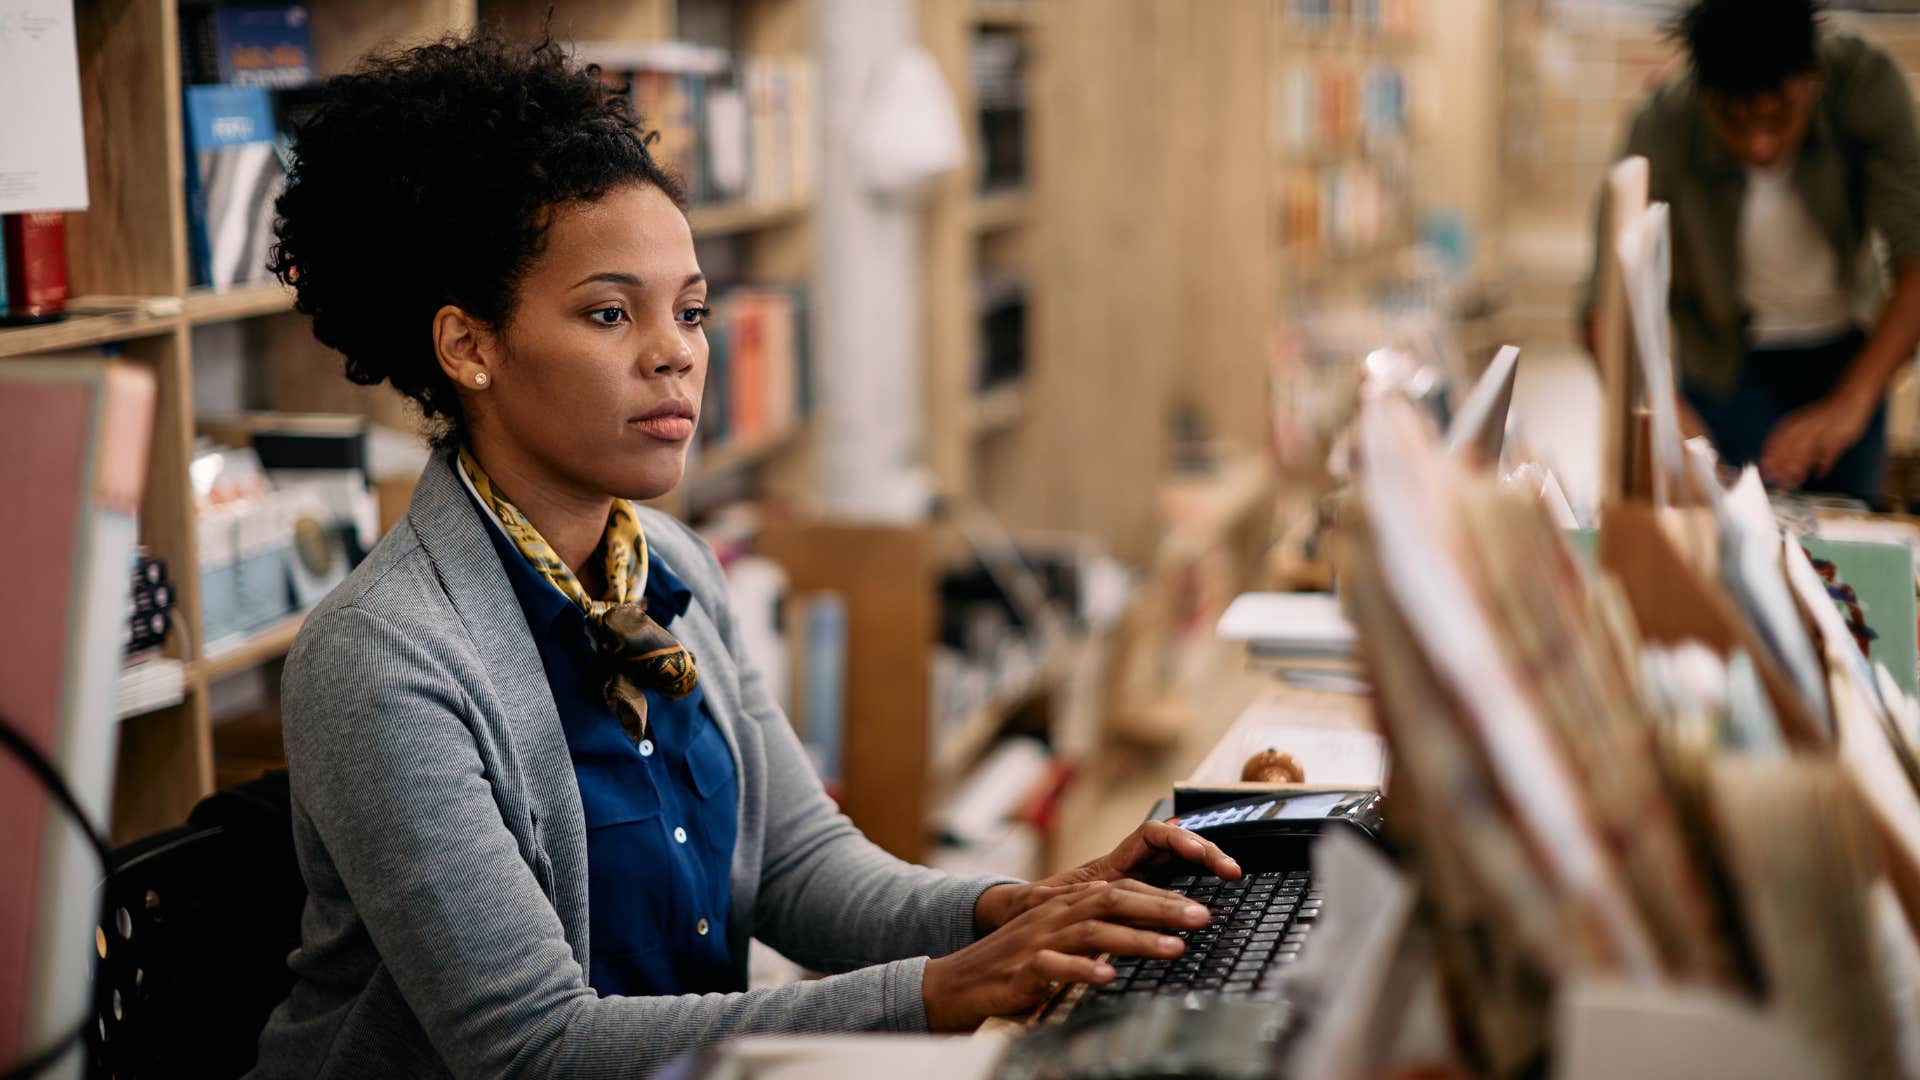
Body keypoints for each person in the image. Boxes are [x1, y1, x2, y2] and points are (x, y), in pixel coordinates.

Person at [246, 33, 1237, 1079]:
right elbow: (531, 1048)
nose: (676, 351)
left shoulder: (671, 568)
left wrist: (1021, 910)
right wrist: (950, 988)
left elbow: (799, 868)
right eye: (610, 312)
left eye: (692, 310)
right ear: (470, 347)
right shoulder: (382, 656)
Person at [1580, 0, 1920, 500]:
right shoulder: (1663, 124)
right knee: (1722, 537)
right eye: (1734, 122)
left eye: (1778, 117)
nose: (1759, 144)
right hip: (1723, 366)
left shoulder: (1865, 82)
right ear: (1704, 94)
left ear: (1812, 79)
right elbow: (1603, 308)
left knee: (1846, 537)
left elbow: (1916, 260)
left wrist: (1851, 404)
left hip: (1847, 352)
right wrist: (1671, 420)